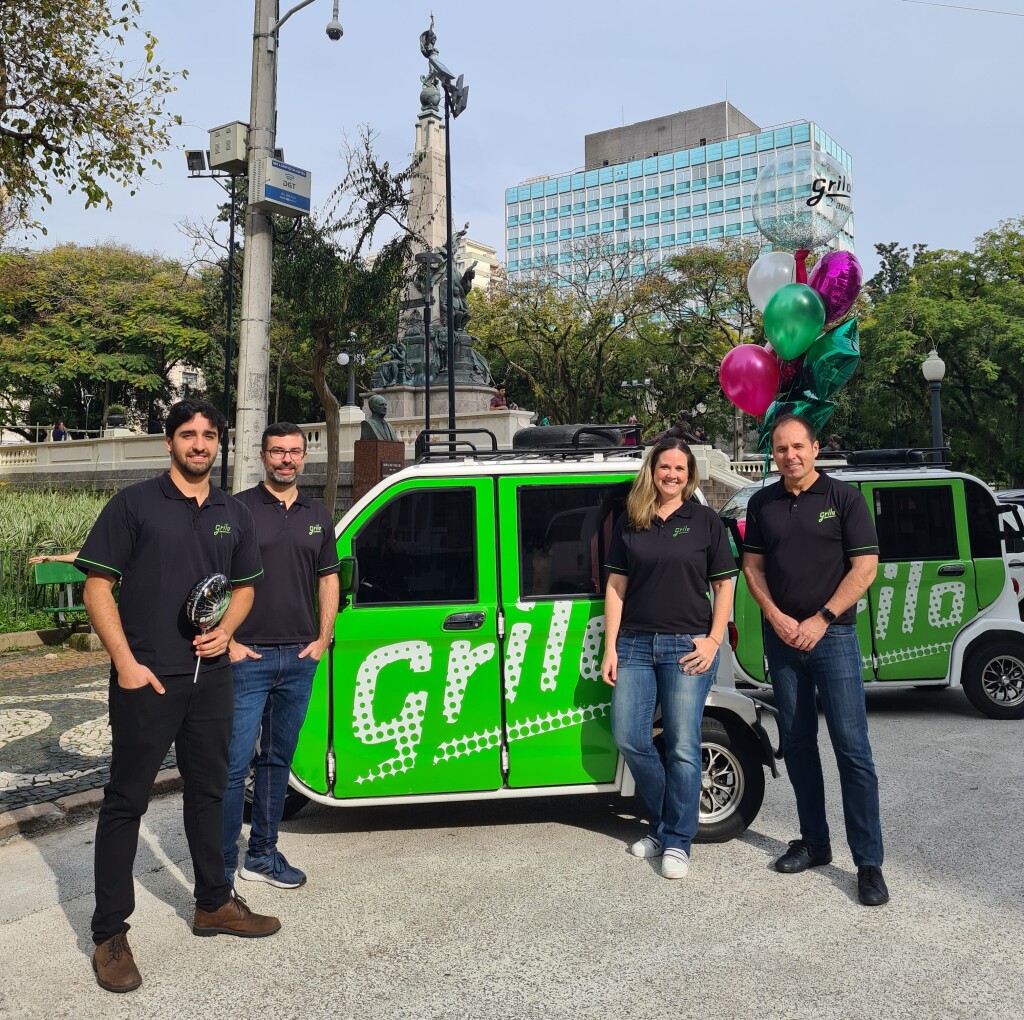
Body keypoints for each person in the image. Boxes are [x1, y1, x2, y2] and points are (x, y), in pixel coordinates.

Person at [74, 399, 278, 994]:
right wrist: (126, 664)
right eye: (188, 435)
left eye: (208, 436)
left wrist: (228, 632)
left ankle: (213, 902)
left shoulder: (231, 513)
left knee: (212, 791)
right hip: (149, 679)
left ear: (220, 444)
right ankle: (110, 931)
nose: (199, 444)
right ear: (169, 443)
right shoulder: (133, 504)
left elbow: (244, 587)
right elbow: (97, 587)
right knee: (125, 803)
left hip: (209, 679)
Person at [741, 414, 888, 907]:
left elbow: (865, 566)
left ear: (815, 447)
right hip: (782, 640)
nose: (790, 455)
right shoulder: (763, 503)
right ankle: (815, 842)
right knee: (799, 744)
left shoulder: (844, 499)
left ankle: (868, 864)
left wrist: (822, 619)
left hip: (834, 638)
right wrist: (777, 617)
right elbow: (752, 566)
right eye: (781, 448)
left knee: (852, 750)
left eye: (798, 446)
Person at [601, 436, 736, 879]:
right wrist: (611, 645)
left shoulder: (705, 521)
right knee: (630, 737)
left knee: (681, 744)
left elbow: (724, 586)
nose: (672, 475)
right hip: (636, 645)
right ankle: (665, 825)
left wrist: (714, 639)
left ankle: (678, 840)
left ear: (689, 475)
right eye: (664, 468)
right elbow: (616, 587)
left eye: (680, 469)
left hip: (688, 647)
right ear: (652, 471)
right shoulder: (632, 519)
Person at [223, 423, 341, 891]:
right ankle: (219, 866)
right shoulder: (239, 510)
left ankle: (263, 854)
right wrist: (228, 641)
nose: (286, 460)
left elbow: (328, 579)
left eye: (294, 452)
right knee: (233, 766)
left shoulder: (318, 514)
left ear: (303, 458)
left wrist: (323, 638)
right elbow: (213, 578)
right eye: (277, 452)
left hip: (299, 657)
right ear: (262, 456)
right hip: (246, 659)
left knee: (277, 762)